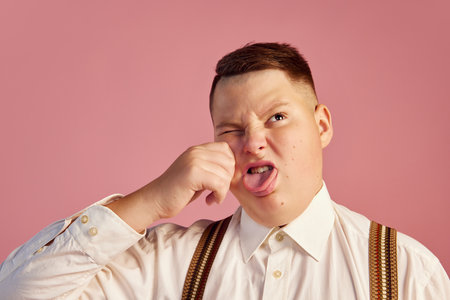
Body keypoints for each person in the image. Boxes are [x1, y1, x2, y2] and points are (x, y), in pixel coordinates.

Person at [0, 43, 449, 299]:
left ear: (322, 125)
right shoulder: (167, 264)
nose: (252, 142)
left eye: (276, 118)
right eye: (232, 130)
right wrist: (151, 199)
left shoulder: (405, 270)